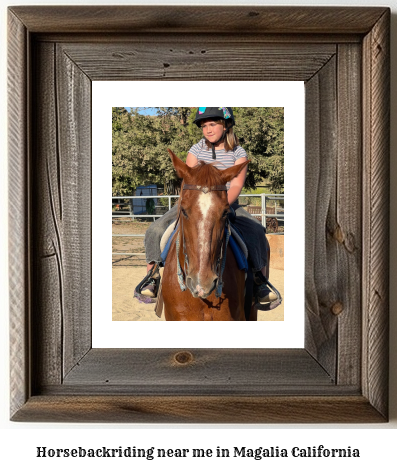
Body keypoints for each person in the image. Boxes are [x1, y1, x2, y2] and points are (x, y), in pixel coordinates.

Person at [134, 107, 280, 310]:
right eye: (204, 126)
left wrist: (219, 207)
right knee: (155, 229)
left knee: (256, 231)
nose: (207, 130)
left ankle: (259, 282)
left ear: (226, 125)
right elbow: (188, 180)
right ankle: (152, 277)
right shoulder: (196, 150)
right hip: (193, 204)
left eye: (212, 124)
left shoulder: (238, 152)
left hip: (225, 203)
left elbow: (236, 185)